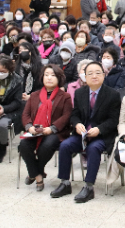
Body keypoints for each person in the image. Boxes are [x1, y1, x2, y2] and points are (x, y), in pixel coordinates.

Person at [50, 61, 121, 203]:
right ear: (84, 77)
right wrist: (77, 124)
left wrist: (99, 129)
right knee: (65, 146)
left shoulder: (113, 94)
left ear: (103, 75)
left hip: (102, 135)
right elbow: (74, 114)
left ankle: (89, 187)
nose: (94, 76)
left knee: (93, 148)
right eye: (90, 73)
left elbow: (114, 120)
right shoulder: (79, 93)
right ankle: (65, 183)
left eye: (97, 73)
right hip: (82, 134)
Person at [19, 64, 73, 192]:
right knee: (23, 145)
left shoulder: (65, 96)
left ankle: (34, 172)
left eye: (53, 75)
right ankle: (38, 175)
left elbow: (66, 116)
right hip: (35, 130)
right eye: (46, 75)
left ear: (59, 78)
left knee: (48, 145)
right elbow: (26, 114)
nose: (49, 78)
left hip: (55, 132)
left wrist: (52, 128)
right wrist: (29, 127)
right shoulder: (34, 95)